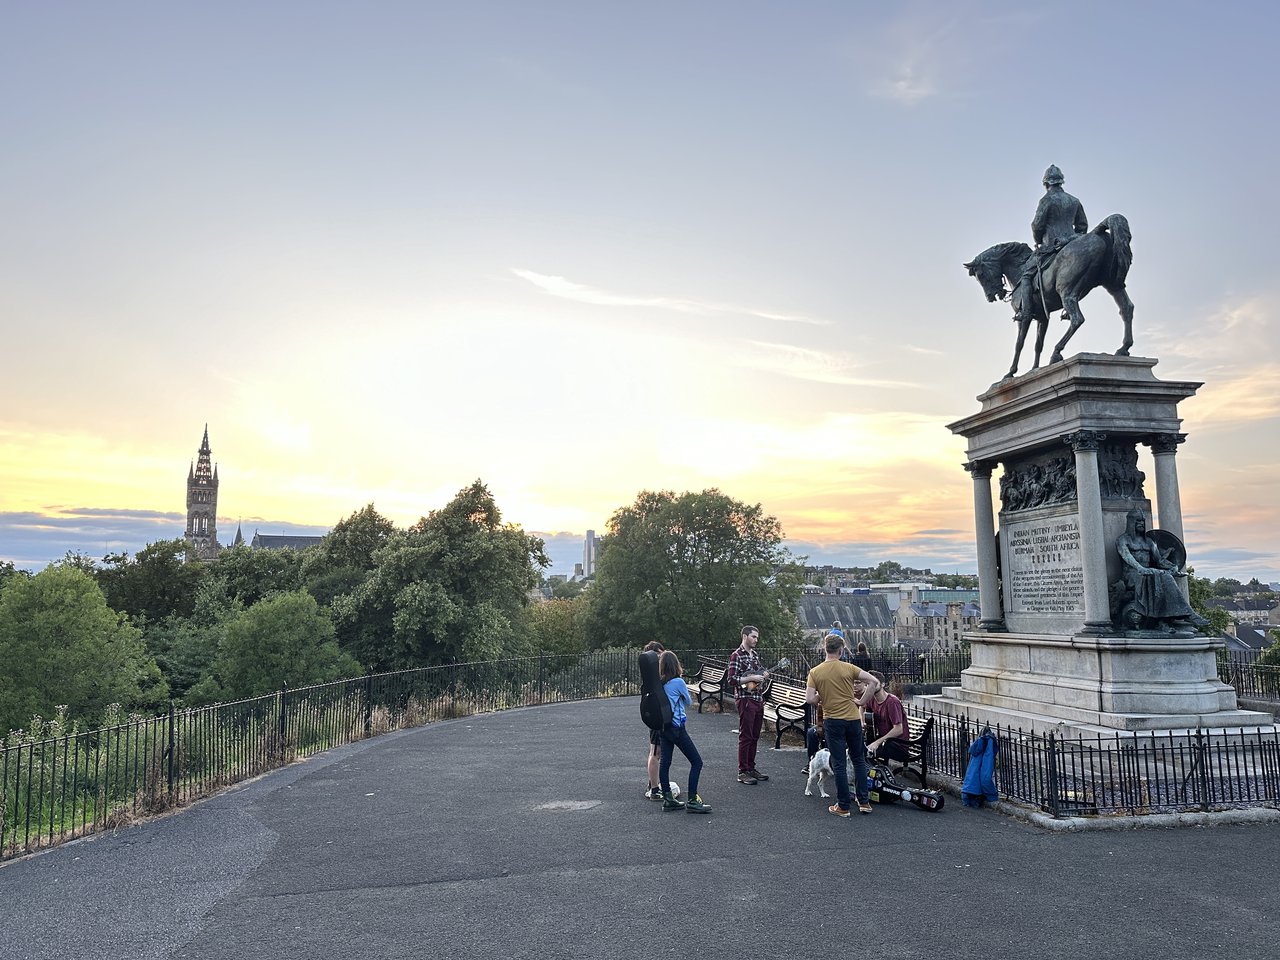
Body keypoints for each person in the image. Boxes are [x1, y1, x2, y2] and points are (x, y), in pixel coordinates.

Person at [805, 632, 880, 817]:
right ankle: (864, 802)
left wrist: (821, 698)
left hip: (833, 720)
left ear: (825, 648)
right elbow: (874, 681)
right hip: (853, 719)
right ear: (841, 650)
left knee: (838, 763)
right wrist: (862, 702)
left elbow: (809, 699)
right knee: (859, 760)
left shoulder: (815, 672)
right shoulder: (849, 668)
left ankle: (843, 805)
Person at [1011, 164, 1089, 324]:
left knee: (1026, 274)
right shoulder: (1074, 201)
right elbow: (1082, 227)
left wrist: (1038, 240)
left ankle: (1025, 312)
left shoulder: (1046, 200)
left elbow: (1036, 225)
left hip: (1050, 247)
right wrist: (1071, 239)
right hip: (1070, 244)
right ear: (1061, 182)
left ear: (1046, 184)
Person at [1116, 508, 1205, 630]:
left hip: (1149, 573)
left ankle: (1180, 616)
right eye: (1138, 521)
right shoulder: (1123, 540)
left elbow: (1160, 561)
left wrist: (1173, 567)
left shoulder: (1149, 541)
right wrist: (1140, 568)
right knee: (1156, 576)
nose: (1141, 524)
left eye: (1142, 521)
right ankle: (1182, 616)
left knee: (1165, 576)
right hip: (1132, 575)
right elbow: (1127, 557)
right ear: (1131, 523)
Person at [657, 651, 711, 813]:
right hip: (677, 728)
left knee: (665, 763)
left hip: (663, 728)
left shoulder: (660, 683)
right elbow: (688, 701)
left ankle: (668, 798)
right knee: (696, 762)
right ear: (675, 665)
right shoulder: (678, 682)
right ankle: (693, 800)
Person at [726, 625, 770, 785]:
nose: (756, 640)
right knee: (745, 736)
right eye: (753, 637)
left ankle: (751, 768)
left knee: (755, 735)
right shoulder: (736, 656)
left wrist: (763, 676)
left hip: (758, 698)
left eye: (757, 637)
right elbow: (731, 679)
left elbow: (758, 677)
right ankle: (742, 771)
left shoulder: (755, 655)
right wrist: (748, 679)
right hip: (745, 699)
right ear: (745, 636)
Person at [860, 670, 911, 764]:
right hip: (883, 740)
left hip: (897, 745)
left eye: (873, 683)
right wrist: (862, 722)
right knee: (857, 748)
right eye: (867, 684)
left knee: (866, 754)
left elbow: (899, 729)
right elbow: (861, 707)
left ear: (882, 684)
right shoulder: (871, 698)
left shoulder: (892, 702)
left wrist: (878, 742)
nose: (869, 687)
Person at [642, 641, 666, 800]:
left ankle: (653, 783)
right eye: (658, 655)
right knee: (656, 751)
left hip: (655, 714)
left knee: (656, 750)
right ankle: (655, 788)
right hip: (658, 715)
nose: (661, 658)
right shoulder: (654, 674)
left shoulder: (650, 674)